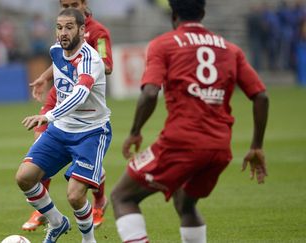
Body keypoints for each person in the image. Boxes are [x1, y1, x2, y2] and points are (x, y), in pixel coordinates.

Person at [110, 0, 269, 242]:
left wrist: (135, 131)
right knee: (185, 202)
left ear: (173, 15)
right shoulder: (230, 49)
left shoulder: (163, 45)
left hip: (181, 142)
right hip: (219, 148)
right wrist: (256, 145)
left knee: (123, 196)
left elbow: (150, 93)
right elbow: (261, 96)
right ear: (203, 13)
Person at [16, 8, 111, 243]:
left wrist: (48, 116)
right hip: (61, 129)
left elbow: (80, 93)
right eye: (59, 28)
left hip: (91, 132)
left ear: (81, 30)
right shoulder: (55, 51)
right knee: (24, 177)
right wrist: (45, 78)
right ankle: (57, 223)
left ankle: (89, 240)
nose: (63, 33)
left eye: (69, 27)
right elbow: (60, 67)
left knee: (75, 196)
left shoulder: (91, 59)